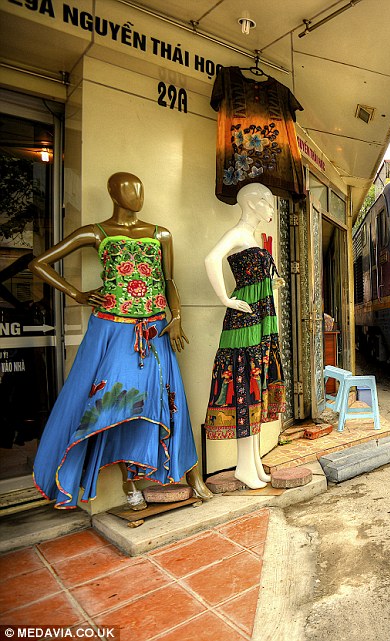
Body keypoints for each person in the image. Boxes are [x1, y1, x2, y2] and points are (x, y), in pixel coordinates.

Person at [28, 172, 211, 509]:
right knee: (113, 401)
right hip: (113, 329)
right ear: (113, 192)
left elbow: (168, 279)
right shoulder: (96, 232)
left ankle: (190, 473)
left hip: (155, 330)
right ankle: (129, 481)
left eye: (140, 188)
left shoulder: (160, 233)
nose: (136, 195)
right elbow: (40, 263)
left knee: (168, 398)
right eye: (129, 189)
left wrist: (177, 317)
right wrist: (77, 294)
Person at [204, 182, 286, 490]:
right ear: (253, 204)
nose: (270, 209)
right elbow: (211, 259)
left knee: (255, 387)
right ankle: (243, 466)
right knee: (244, 386)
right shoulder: (237, 234)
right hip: (244, 322)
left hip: (260, 319)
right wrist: (225, 298)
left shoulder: (249, 238)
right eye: (267, 203)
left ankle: (251, 464)